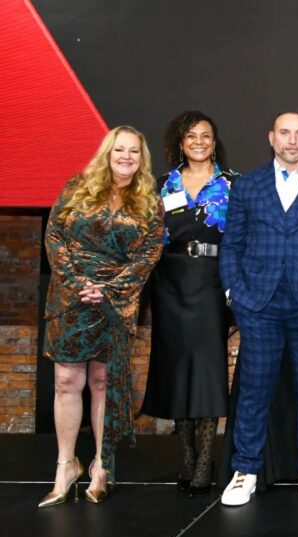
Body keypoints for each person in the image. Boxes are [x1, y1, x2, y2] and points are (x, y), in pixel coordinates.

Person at [218, 111, 298, 506]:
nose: (292, 141)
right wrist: (235, 293)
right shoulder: (248, 186)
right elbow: (232, 245)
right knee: (254, 389)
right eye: (285, 133)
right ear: (271, 138)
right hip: (259, 304)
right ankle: (245, 469)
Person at [39, 126, 164, 507]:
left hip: (114, 302)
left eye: (134, 152)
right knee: (65, 380)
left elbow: (149, 254)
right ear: (107, 153)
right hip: (71, 296)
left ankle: (102, 465)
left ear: (142, 159)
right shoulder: (77, 187)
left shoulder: (149, 201)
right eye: (119, 150)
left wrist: (108, 289)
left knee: (102, 381)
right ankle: (66, 465)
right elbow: (54, 236)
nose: (126, 157)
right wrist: (78, 282)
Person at [140, 111, 236, 495]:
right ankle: (184, 455)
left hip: (213, 283)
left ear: (215, 142)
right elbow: (147, 238)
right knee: (177, 369)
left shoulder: (232, 185)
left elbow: (241, 238)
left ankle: (203, 461)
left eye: (206, 136)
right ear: (180, 142)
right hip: (170, 285)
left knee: (207, 372)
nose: (199, 142)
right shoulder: (161, 185)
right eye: (191, 136)